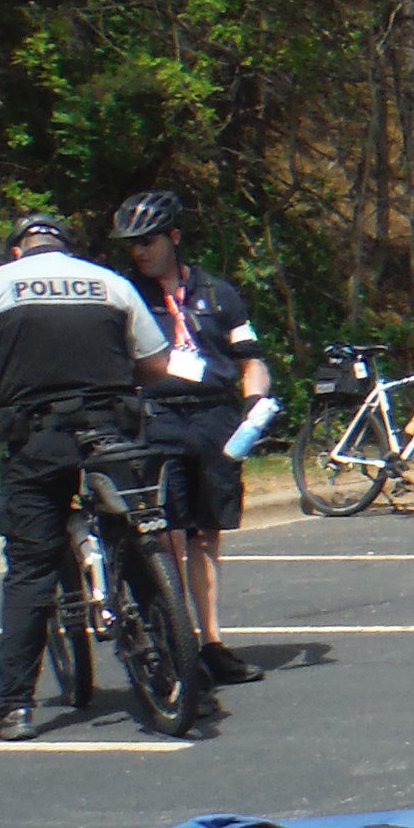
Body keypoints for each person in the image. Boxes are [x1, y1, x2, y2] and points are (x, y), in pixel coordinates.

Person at [0, 214, 190, 740]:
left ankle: (13, 707)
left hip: (38, 441)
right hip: (111, 432)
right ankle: (179, 668)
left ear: (16, 251)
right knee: (133, 533)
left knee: (31, 568)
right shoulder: (111, 283)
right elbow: (156, 364)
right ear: (68, 248)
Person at [114, 190, 272, 691]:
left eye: (148, 241)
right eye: (131, 244)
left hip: (214, 417)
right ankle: (175, 641)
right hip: (157, 417)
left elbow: (250, 358)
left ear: (173, 238)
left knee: (207, 534)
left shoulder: (218, 292)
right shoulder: (124, 295)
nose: (139, 251)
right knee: (167, 535)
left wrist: (253, 405)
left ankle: (210, 642)